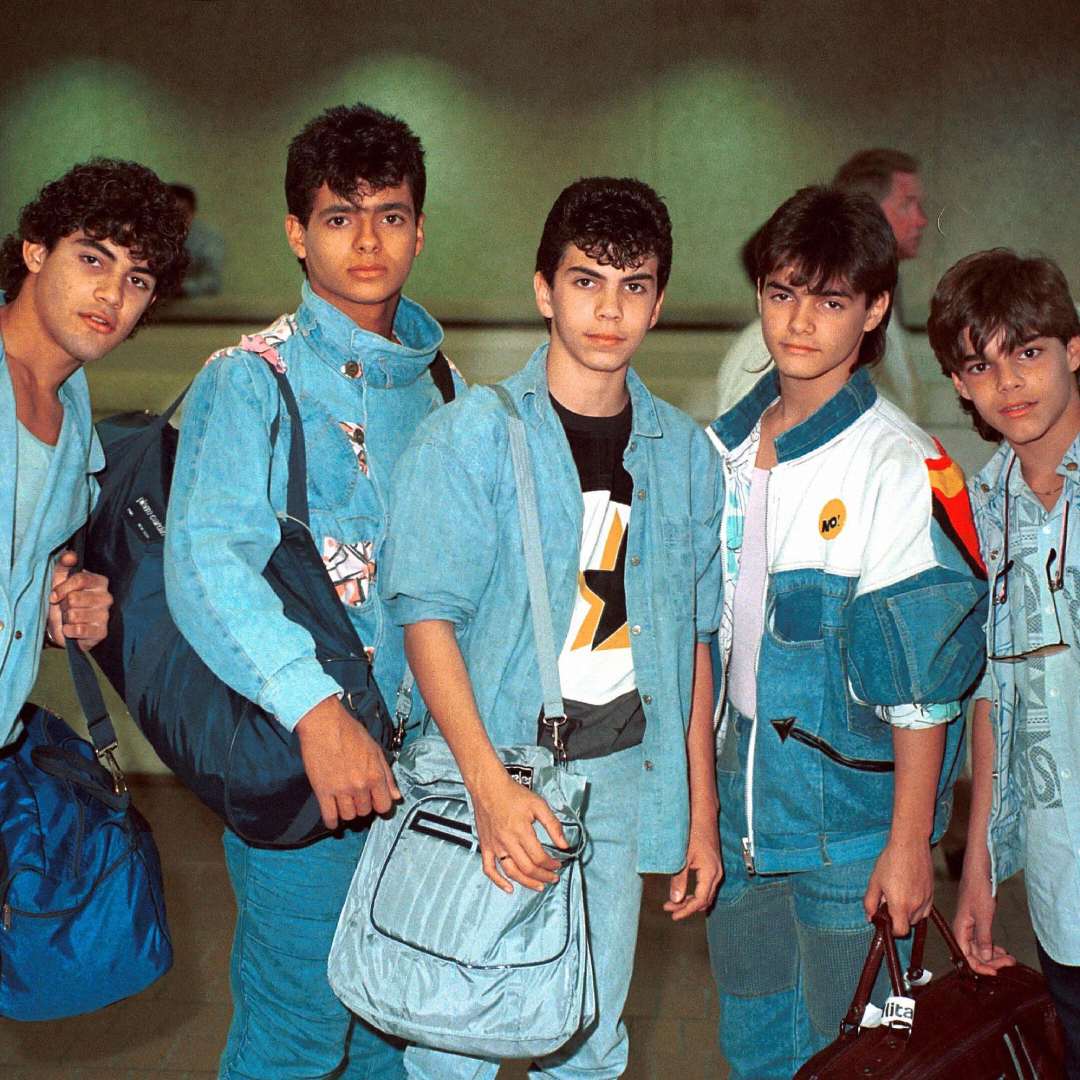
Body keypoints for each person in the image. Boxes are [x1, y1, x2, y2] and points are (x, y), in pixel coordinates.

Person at [383, 176, 724, 1078]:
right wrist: (488, 788)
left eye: (634, 285)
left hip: (619, 774)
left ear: (658, 301)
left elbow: (693, 637)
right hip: (490, 767)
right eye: (586, 281)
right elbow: (427, 623)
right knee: (449, 1037)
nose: (609, 310)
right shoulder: (473, 438)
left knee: (588, 1037)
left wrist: (700, 810)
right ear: (544, 290)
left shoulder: (684, 454)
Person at [165, 103, 461, 1080]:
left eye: (389, 213)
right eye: (340, 216)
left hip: (424, 778)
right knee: (295, 1036)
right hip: (306, 769)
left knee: (389, 1032)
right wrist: (316, 709)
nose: (368, 238)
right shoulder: (251, 381)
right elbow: (207, 564)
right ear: (298, 233)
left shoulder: (443, 383)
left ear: (420, 227)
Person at [705, 185, 987, 1079]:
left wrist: (910, 847)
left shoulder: (896, 464)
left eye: (830, 301)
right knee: (755, 1045)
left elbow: (922, 688)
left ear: (871, 311)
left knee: (859, 1058)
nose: (800, 322)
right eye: (783, 293)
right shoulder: (717, 452)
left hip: (851, 832)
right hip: (741, 823)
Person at [931, 250, 1080, 1075]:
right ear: (960, 384)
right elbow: (993, 698)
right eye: (981, 364)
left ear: (1074, 349)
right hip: (1065, 888)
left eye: (1029, 352)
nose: (1009, 382)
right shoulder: (980, 514)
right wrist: (979, 871)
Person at [0, 158, 188, 748]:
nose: (111, 293)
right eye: (92, 258)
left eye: (137, 280)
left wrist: (50, 615)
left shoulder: (78, 428)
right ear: (35, 251)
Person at [714, 148, 929, 417]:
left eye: (831, 304)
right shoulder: (770, 347)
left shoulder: (878, 312)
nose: (922, 220)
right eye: (906, 205)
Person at [169, 183, 225, 298]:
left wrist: (184, 288)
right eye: (171, 213)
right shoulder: (149, 238)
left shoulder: (208, 239)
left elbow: (212, 281)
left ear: (193, 212)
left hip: (196, 308)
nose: (177, 219)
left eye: (182, 213)